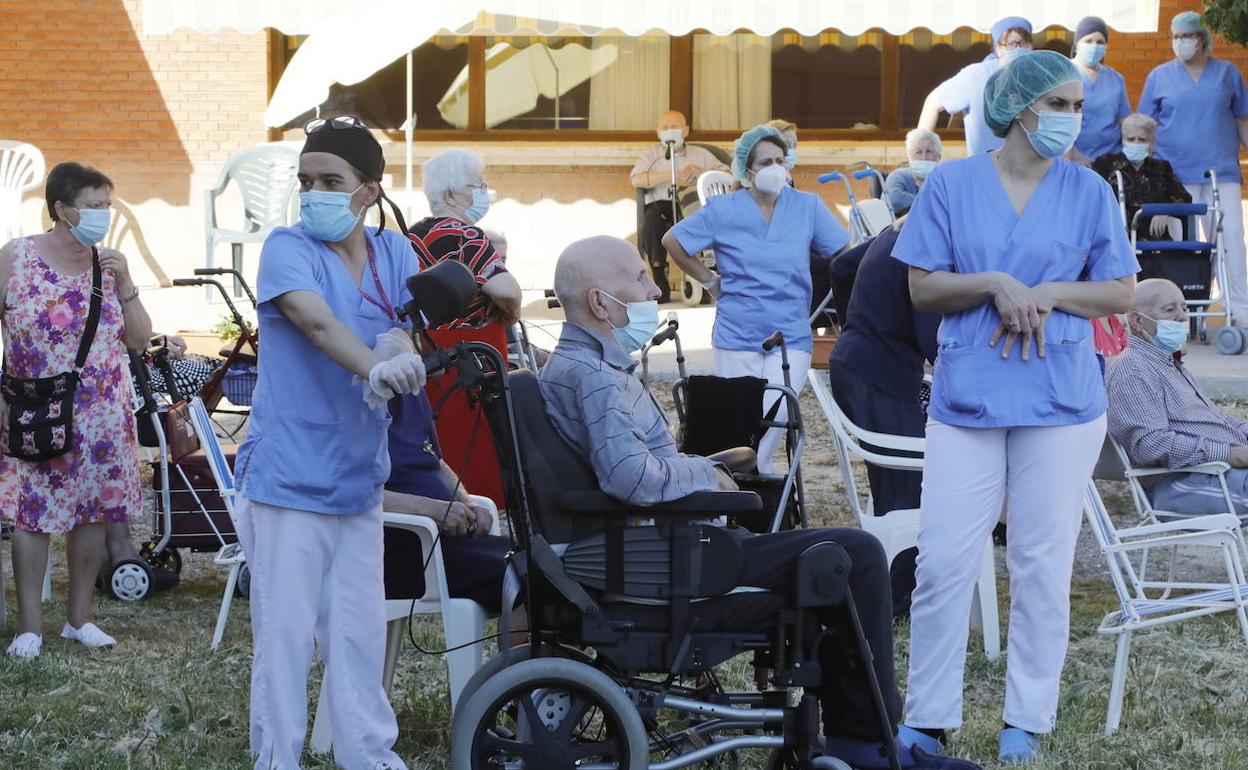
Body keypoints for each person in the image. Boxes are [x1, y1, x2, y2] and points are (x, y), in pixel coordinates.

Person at [539, 235, 978, 770]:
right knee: (855, 553)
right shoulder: (592, 380)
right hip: (664, 561)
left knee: (830, 559)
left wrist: (711, 473)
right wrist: (708, 473)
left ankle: (859, 742)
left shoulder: (586, 369)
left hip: (659, 549)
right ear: (600, 303)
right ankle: (869, 748)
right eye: (638, 277)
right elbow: (631, 478)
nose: (654, 287)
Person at [892, 51, 1137, 764]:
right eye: (1057, 104)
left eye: (1076, 107)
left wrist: (1050, 292)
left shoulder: (1088, 191)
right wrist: (996, 282)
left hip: (1062, 400)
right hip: (970, 396)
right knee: (941, 561)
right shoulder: (950, 184)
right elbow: (923, 289)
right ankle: (926, 719)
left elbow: (1119, 291)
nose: (1070, 118)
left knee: (1040, 562)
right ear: (1018, 107)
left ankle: (1024, 719)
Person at [232, 115, 427, 770]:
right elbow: (315, 322)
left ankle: (369, 756)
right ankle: (277, 760)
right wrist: (374, 367)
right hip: (289, 476)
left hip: (357, 476)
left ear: (369, 189)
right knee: (284, 638)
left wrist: (399, 351)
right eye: (306, 180)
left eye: (331, 181)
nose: (314, 191)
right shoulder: (287, 248)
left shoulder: (395, 254)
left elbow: (403, 325)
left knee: (358, 634)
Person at [0, 162, 152, 658]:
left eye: (107, 205)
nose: (103, 215)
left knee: (94, 512)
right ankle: (30, 626)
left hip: (102, 411)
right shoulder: (17, 257)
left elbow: (140, 339)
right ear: (62, 210)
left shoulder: (107, 267)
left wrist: (126, 282)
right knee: (33, 515)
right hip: (35, 407)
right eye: (93, 206)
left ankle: (79, 620)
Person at [663, 124, 850, 474]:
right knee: (737, 425)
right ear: (747, 170)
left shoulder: (807, 206)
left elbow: (843, 250)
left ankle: (749, 496)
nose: (775, 168)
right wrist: (709, 280)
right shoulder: (723, 209)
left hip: (790, 335)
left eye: (781, 160)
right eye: (766, 162)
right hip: (737, 333)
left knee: (773, 423)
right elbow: (673, 240)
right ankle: (742, 498)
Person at [827, 221, 940, 617]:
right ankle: (896, 601)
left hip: (855, 360)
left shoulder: (899, 229)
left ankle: (889, 590)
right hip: (880, 373)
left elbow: (842, 268)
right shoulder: (927, 241)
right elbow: (934, 338)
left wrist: (853, 325)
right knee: (904, 490)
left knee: (894, 486)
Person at [1106, 278, 1248, 520]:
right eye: (1169, 310)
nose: (1182, 317)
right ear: (1137, 320)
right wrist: (1228, 453)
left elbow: (1215, 421)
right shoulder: (1133, 368)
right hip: (1181, 483)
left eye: (1184, 308)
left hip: (1216, 473)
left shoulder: (1167, 362)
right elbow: (1149, 445)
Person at [1139, 10, 1248, 324]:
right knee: (1182, 247)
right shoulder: (1159, 76)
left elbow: (1242, 120)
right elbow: (1145, 126)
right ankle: (1178, 310)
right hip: (1174, 178)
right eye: (1175, 36)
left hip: (1220, 171)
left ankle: (1238, 307)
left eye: (1186, 36)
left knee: (1230, 240)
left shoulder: (1227, 73)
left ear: (1202, 39)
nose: (1180, 42)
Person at [381, 390, 520, 617]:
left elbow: (437, 462)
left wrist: (468, 504)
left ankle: (534, 652)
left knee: (535, 564)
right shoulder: (357, 399)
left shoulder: (412, 390)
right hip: (406, 550)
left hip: (450, 542)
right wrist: (433, 510)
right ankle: (521, 652)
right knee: (521, 578)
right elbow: (358, 495)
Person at [410, 148, 520, 327]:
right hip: (467, 346)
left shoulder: (412, 234)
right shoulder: (467, 237)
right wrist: (513, 314)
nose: (483, 191)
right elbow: (507, 292)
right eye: (477, 186)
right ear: (450, 196)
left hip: (420, 344)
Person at [629, 110, 729, 303]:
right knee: (651, 225)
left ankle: (702, 278)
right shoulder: (652, 155)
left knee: (698, 224)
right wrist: (674, 174)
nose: (669, 131)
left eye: (674, 127)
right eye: (665, 128)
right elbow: (636, 179)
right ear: (658, 132)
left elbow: (726, 173)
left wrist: (701, 172)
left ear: (685, 130)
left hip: (692, 204)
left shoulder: (701, 154)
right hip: (660, 206)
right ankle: (659, 280)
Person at [918, 17, 1033, 155]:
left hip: (1030, 171)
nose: (1018, 49)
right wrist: (920, 152)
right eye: (1011, 44)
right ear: (998, 49)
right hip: (985, 170)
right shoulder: (976, 77)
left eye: (1023, 43)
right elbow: (933, 102)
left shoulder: (1042, 78)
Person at [1091, 113, 1191, 242]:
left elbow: (1185, 198)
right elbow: (1090, 198)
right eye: (1131, 139)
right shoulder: (1105, 164)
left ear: (1151, 143)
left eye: (1142, 140)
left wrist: (1165, 212)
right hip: (1116, 241)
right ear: (1123, 140)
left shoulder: (1161, 168)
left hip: (1155, 243)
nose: (1136, 143)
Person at [1069, 16, 1131, 165]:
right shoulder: (1064, 75)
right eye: (1088, 41)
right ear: (1077, 44)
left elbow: (1124, 120)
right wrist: (1073, 154)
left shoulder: (1115, 79)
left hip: (1112, 158)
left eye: (1100, 42)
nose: (1094, 46)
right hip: (1074, 158)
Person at [883, 129, 943, 215]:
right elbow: (893, 198)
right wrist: (930, 206)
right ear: (909, 158)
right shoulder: (898, 176)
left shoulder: (944, 181)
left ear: (938, 157)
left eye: (929, 151)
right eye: (918, 152)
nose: (924, 157)